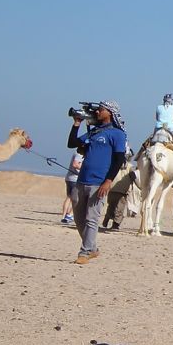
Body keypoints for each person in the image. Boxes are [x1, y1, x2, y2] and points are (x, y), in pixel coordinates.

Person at [67, 100, 130, 265]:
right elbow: (72, 144)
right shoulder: (94, 132)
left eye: (100, 110)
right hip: (82, 180)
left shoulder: (117, 134)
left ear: (109, 112)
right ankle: (92, 248)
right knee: (79, 217)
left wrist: (108, 181)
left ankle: (85, 251)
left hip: (99, 182)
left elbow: (118, 159)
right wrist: (76, 124)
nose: (97, 112)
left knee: (91, 219)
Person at [60, 153, 82, 226]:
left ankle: (64, 216)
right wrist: (85, 169)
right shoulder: (80, 154)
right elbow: (75, 164)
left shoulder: (76, 152)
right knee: (75, 198)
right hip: (74, 179)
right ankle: (69, 215)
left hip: (69, 178)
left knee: (69, 197)